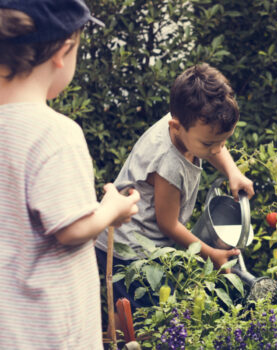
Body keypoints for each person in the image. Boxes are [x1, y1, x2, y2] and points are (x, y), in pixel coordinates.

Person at [0, 0, 140, 348]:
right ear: (63, 52)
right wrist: (111, 209)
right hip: (48, 333)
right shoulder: (54, 134)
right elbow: (71, 229)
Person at [94, 63, 255, 308]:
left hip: (148, 245)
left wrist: (233, 172)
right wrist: (211, 255)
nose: (217, 150)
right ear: (176, 127)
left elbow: (211, 143)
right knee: (141, 318)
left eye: (223, 142)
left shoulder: (188, 122)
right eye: (209, 144)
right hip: (128, 251)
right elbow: (167, 224)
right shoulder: (168, 163)